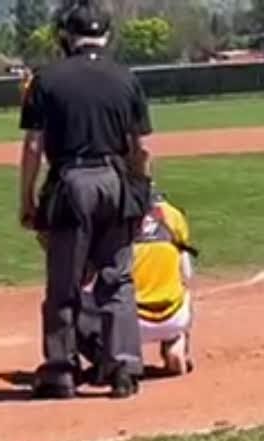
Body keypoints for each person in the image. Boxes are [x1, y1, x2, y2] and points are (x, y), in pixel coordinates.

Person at [19, 0, 154, 400]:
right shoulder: (126, 78)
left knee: (65, 281)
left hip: (71, 181)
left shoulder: (46, 79)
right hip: (115, 180)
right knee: (117, 278)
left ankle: (61, 371)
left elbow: (33, 146)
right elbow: (141, 149)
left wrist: (27, 199)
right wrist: (141, 195)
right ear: (106, 35)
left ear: (66, 35)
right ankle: (123, 368)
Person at [76, 187, 196, 377]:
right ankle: (175, 341)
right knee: (181, 285)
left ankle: (107, 358)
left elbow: (87, 277)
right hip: (175, 318)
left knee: (74, 301)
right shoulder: (173, 216)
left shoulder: (114, 220)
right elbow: (187, 274)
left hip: (129, 324)